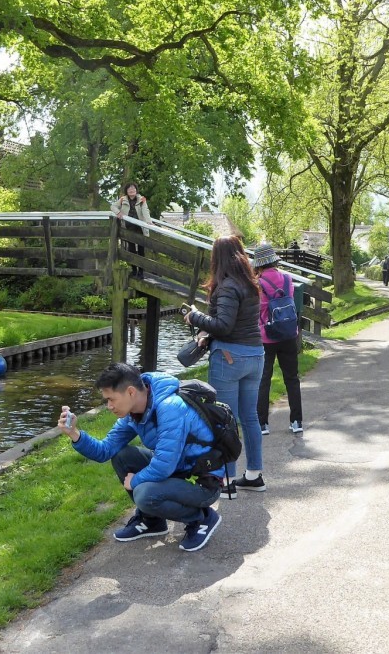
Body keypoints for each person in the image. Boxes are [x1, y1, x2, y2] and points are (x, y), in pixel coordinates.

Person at [57, 363, 224, 552]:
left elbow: (163, 466)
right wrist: (74, 434)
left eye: (111, 399)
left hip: (203, 484)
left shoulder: (170, 408)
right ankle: (152, 521)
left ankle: (202, 518)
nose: (109, 406)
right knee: (121, 456)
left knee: (145, 494)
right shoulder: (133, 413)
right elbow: (104, 451)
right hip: (179, 472)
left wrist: (136, 480)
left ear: (130, 392)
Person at [184, 236, 264, 499]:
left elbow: (224, 326)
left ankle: (227, 480)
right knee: (249, 417)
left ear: (217, 258)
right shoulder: (250, 284)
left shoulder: (227, 286)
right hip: (255, 355)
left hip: (230, 358)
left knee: (224, 420)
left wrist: (194, 315)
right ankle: (254, 474)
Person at [251, 243, 304, 437]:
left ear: (259, 264)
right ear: (274, 261)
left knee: (264, 380)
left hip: (266, 336)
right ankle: (297, 421)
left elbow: (256, 310)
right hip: (289, 334)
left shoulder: (257, 284)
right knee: (292, 378)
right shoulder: (287, 280)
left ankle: (263, 423)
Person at [111, 183, 152, 278]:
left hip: (140, 227)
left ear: (136, 190)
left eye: (133, 188)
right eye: (129, 189)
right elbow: (113, 206)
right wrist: (118, 212)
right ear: (127, 191)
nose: (131, 190)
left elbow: (145, 211)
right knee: (132, 249)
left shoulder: (141, 199)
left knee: (141, 250)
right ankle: (134, 270)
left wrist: (149, 222)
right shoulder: (123, 199)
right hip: (129, 227)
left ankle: (141, 272)